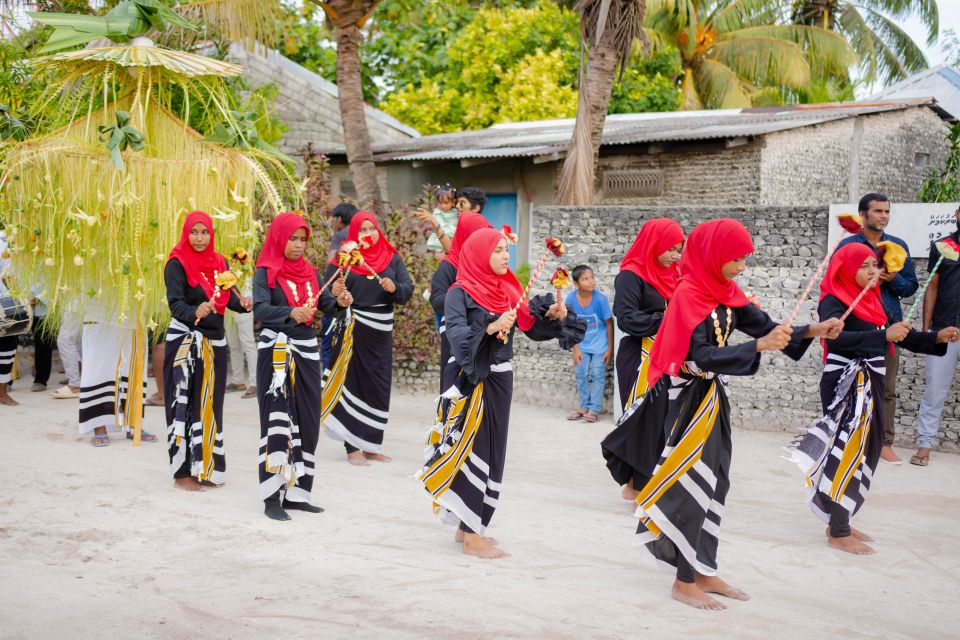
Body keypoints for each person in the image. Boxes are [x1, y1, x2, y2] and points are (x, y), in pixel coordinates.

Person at [632, 219, 842, 610]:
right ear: (713, 255)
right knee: (690, 484)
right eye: (736, 258)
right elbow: (697, 357)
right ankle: (683, 581)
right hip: (685, 403)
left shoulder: (725, 291)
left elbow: (763, 326)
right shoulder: (688, 295)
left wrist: (814, 329)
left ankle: (702, 568)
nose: (742, 266)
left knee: (717, 482)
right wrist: (758, 347)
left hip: (712, 400)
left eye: (744, 258)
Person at [417, 229, 584, 559]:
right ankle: (470, 532)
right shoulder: (458, 293)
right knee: (470, 448)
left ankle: (469, 526)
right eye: (496, 251)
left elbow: (529, 327)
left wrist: (551, 316)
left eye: (506, 250)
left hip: (500, 378)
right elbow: (457, 334)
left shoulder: (508, 289)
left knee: (493, 450)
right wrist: (491, 328)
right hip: (470, 377)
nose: (504, 256)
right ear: (479, 254)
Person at [785, 244, 957, 554]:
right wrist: (883, 337)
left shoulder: (873, 300)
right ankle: (838, 530)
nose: (872, 271)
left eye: (873, 265)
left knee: (866, 451)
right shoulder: (834, 301)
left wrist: (935, 338)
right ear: (845, 269)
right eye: (864, 266)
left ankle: (841, 518)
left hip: (871, 381)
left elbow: (897, 334)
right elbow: (835, 338)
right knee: (848, 452)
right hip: (846, 383)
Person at [254, 212, 353, 520]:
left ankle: (298, 492)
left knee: (309, 420)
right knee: (277, 420)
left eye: (302, 240)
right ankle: (272, 496)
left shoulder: (310, 271)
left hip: (307, 351)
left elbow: (323, 307)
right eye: (292, 239)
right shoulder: (265, 271)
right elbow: (260, 309)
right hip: (277, 351)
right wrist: (289, 312)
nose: (298, 245)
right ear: (278, 238)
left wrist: (339, 302)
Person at [163, 211, 254, 492]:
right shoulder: (176, 263)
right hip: (186, 344)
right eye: (194, 232)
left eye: (204, 232)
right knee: (184, 406)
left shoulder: (220, 262)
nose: (200, 238)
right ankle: (181, 474)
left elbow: (231, 299)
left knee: (211, 406)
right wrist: (194, 311)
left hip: (215, 345)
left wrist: (245, 303)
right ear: (186, 233)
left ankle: (205, 467)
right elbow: (175, 304)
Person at [600, 218, 684, 500]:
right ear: (654, 244)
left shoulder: (676, 274)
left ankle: (647, 482)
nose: (675, 256)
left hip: (671, 356)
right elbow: (626, 318)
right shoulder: (631, 276)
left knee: (667, 419)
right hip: (639, 357)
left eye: (678, 249)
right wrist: (666, 319)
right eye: (670, 249)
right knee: (642, 419)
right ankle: (639, 484)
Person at [321, 211, 413, 465]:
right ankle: (353, 448)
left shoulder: (392, 259)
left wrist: (395, 289)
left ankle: (372, 444)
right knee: (353, 384)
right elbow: (326, 294)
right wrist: (337, 291)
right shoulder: (345, 259)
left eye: (371, 228)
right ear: (354, 234)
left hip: (381, 331)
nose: (367, 234)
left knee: (378, 386)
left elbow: (407, 291)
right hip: (354, 329)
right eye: (362, 230)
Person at [838, 193, 918, 464]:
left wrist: (893, 279)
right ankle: (850, 438)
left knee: (886, 388)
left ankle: (884, 443)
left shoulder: (897, 246)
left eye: (886, 211)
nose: (883, 216)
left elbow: (910, 287)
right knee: (851, 384)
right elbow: (837, 282)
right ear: (863, 215)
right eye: (878, 211)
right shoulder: (848, 245)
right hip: (857, 327)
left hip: (889, 327)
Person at [913, 206, 960, 466]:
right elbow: (932, 287)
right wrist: (927, 330)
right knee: (933, 392)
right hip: (943, 330)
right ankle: (924, 447)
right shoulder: (942, 246)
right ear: (957, 214)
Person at [428, 212, 492, 394]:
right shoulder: (449, 266)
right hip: (455, 332)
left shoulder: (488, 266)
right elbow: (436, 300)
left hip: (483, 331)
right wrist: (462, 299)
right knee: (454, 377)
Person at [79, 304, 153, 447]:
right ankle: (98, 424)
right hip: (99, 305)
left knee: (132, 364)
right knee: (98, 367)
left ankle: (133, 422)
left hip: (132, 307)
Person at [566, 265, 613, 422]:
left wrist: (610, 350)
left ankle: (593, 410)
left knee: (597, 374)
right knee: (581, 373)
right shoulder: (571, 299)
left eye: (592, 277)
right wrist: (575, 349)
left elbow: (609, 324)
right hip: (581, 345)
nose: (590, 281)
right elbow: (570, 326)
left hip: (600, 345)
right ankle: (584, 407)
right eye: (585, 279)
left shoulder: (600, 299)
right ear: (576, 283)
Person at [323, 203, 359, 369]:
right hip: (360, 297)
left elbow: (333, 264)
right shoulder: (363, 234)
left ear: (339, 218)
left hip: (339, 294)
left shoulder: (340, 236)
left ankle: (327, 380)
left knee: (329, 344)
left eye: (334, 218)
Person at [224, 278, 258, 399]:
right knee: (233, 344)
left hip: (244, 301)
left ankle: (255, 383)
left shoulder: (245, 259)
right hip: (226, 303)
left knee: (248, 342)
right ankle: (238, 381)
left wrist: (247, 301)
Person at [0, 228, 18, 407]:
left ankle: (2, 393)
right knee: (6, 348)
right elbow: (8, 278)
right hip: (4, 305)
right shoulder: (4, 243)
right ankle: (2, 393)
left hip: (3, 303)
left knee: (6, 349)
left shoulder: (5, 242)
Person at [418, 185, 459, 259]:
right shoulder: (437, 213)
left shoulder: (456, 212)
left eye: (446, 203)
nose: (443, 206)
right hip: (440, 244)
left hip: (453, 243)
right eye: (440, 203)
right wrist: (455, 231)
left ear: (453, 202)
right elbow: (441, 229)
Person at [51, 303, 82, 399]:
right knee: (79, 340)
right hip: (77, 301)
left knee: (66, 340)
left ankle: (75, 385)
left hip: (76, 300)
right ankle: (79, 381)